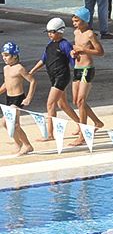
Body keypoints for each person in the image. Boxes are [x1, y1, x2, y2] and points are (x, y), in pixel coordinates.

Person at [28, 18, 76, 146]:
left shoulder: (65, 45)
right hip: (53, 77)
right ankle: (81, 124)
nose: (49, 34)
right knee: (63, 105)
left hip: (62, 77)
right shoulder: (49, 46)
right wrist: (32, 70)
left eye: (52, 32)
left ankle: (50, 134)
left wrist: (77, 74)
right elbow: (43, 60)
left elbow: (73, 62)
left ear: (60, 31)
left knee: (50, 104)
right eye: (48, 32)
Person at [68, 9, 105, 133]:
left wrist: (84, 50)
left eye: (76, 21)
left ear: (85, 20)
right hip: (77, 68)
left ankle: (83, 133)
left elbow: (100, 52)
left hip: (87, 69)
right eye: (73, 21)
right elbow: (76, 48)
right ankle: (97, 122)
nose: (74, 23)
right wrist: (74, 52)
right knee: (76, 101)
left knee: (81, 101)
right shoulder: (76, 32)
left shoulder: (90, 34)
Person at [2, 42, 36, 155]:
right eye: (3, 55)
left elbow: (33, 81)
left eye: (7, 55)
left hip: (18, 99)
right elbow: (7, 84)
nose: (4, 58)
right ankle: (18, 143)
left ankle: (28, 145)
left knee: (14, 124)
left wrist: (29, 97)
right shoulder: (6, 68)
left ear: (15, 55)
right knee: (5, 124)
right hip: (9, 98)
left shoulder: (19, 68)